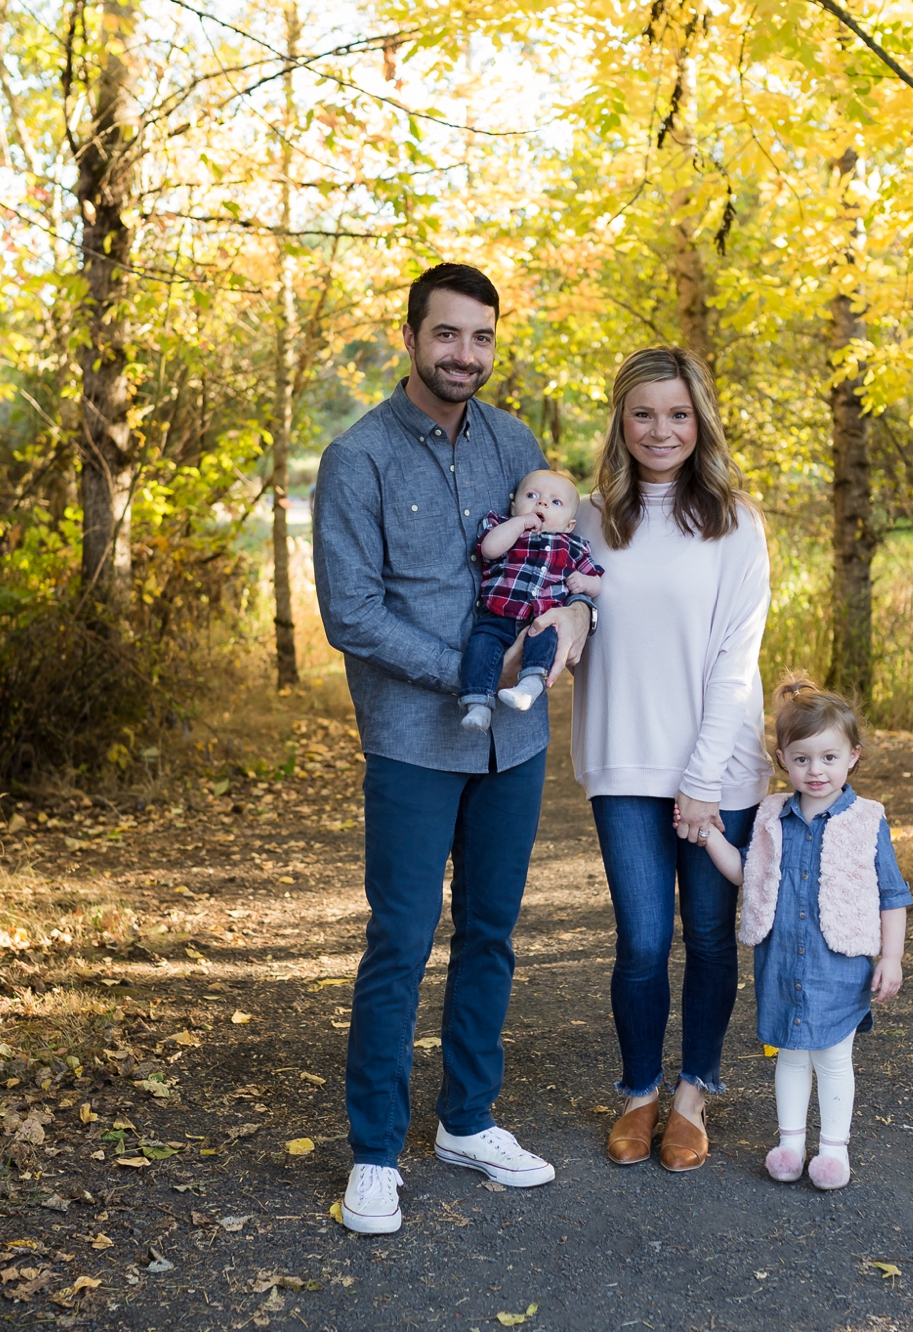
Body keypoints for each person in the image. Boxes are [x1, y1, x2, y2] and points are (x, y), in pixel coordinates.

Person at [310, 263, 593, 1234]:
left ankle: (466, 1121)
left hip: (512, 743)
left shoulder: (516, 444)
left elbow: (561, 563)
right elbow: (349, 614)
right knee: (397, 943)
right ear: (410, 336)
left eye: (479, 337)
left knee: (490, 936)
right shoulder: (357, 459)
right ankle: (374, 1154)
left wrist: (564, 638)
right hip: (410, 742)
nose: (463, 354)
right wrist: (462, 672)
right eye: (446, 335)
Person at [570, 346, 772, 1173]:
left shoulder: (735, 522)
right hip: (622, 761)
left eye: (679, 414)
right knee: (643, 942)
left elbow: (735, 660)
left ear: (702, 422)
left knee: (713, 940)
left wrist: (700, 785)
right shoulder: (586, 518)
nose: (662, 429)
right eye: (644, 413)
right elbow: (564, 620)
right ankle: (639, 1092)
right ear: (621, 420)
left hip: (717, 768)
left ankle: (693, 1093)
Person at [697, 677, 913, 1190]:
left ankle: (833, 1151)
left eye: (829, 758)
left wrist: (892, 957)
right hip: (783, 961)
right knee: (791, 1057)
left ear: (852, 757)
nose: (815, 771)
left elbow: (893, 894)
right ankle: (790, 1144)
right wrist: (706, 833)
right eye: (802, 759)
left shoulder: (866, 819)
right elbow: (747, 871)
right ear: (781, 759)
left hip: (838, 964)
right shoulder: (772, 815)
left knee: (834, 1059)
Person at [460, 469, 604, 731]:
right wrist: (519, 523)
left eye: (555, 502)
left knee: (546, 640)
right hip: (498, 616)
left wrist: (584, 583)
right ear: (514, 506)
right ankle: (478, 705)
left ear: (569, 524)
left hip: (541, 619)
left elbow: (596, 580)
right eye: (532, 495)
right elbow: (489, 549)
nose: (542, 503)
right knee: (480, 648)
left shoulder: (573, 545)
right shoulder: (506, 529)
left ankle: (529, 687)